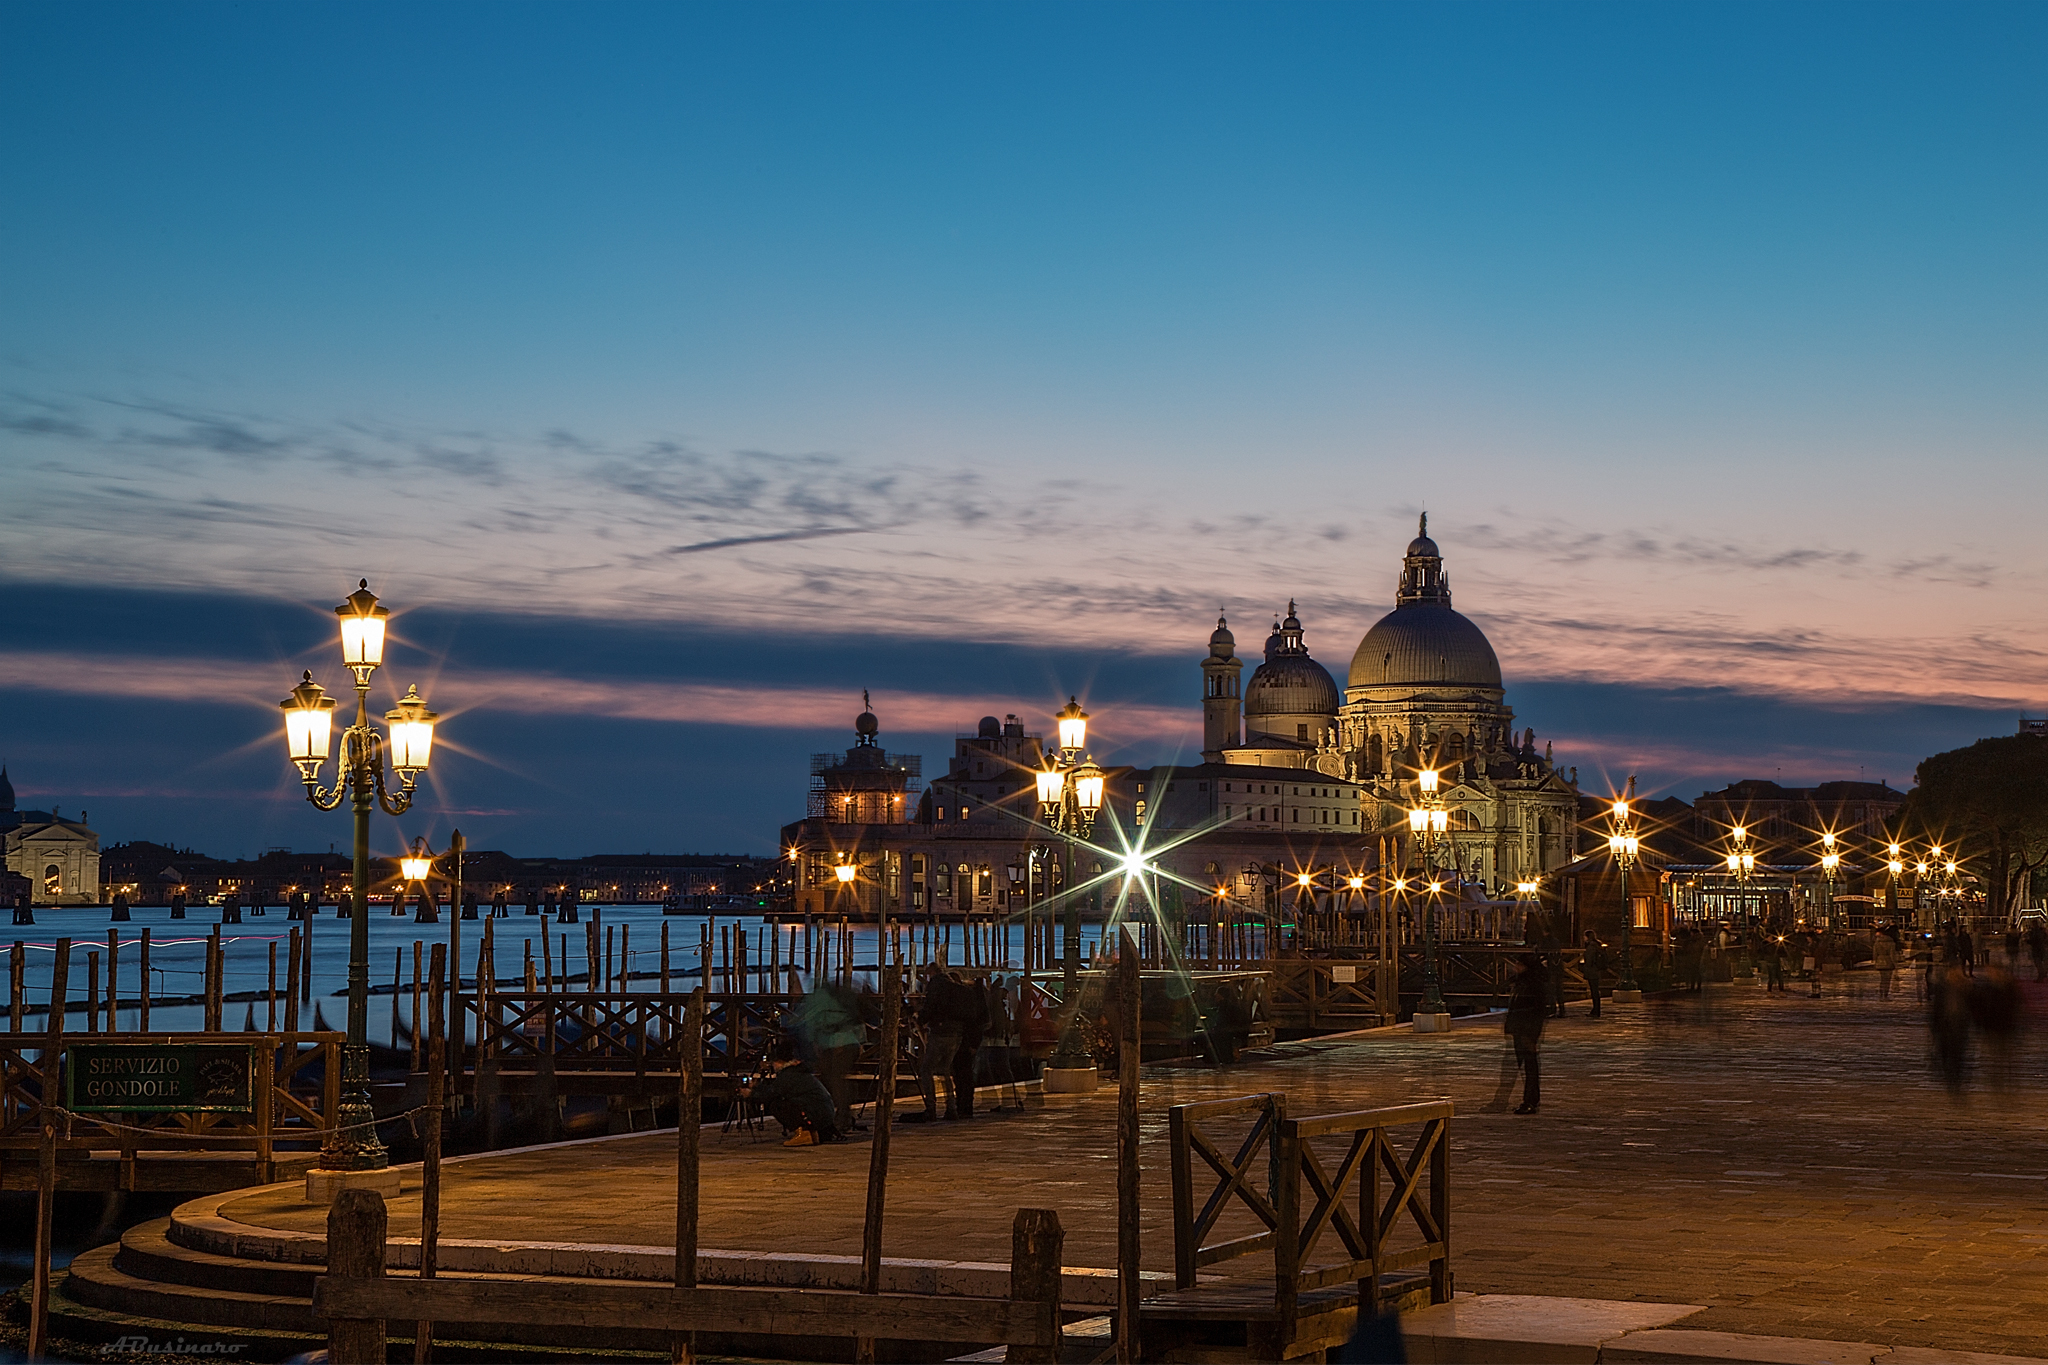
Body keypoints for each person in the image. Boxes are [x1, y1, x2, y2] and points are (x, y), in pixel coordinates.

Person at [791, 978, 865, 1136]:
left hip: (837, 1044)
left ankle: (839, 1118)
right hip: (848, 1043)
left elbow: (809, 1024)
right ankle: (839, 1116)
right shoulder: (828, 997)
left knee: (835, 1081)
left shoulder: (815, 999)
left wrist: (813, 1042)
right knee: (834, 1080)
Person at [741, 1039, 841, 1147]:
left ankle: (804, 1133)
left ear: (779, 1062)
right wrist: (757, 1087)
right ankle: (811, 1133)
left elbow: (771, 1094)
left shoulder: (788, 1075)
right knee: (786, 1102)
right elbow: (774, 1089)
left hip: (816, 1114)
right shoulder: (797, 1071)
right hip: (823, 1114)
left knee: (777, 1105)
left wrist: (751, 1094)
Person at [1504, 952, 1546, 1114]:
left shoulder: (1533, 985)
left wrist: (1532, 1036)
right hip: (1519, 1030)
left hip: (1526, 1032)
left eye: (1519, 964)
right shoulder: (1521, 982)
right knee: (1525, 1067)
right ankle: (1529, 1099)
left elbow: (1537, 1012)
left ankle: (1530, 1100)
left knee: (1530, 1067)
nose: (1516, 967)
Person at [1580, 931, 1609, 1019]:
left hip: (1592, 972)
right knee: (1595, 991)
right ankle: (1595, 1010)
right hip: (1596, 971)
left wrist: (1584, 966)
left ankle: (1596, 1011)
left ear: (1587, 937)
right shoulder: (1597, 945)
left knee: (1594, 992)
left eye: (1584, 936)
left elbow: (1589, 960)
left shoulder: (1591, 947)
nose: (1583, 938)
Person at [1873, 924, 1899, 1001]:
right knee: (1887, 980)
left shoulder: (1877, 942)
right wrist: (1895, 964)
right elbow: (1892, 955)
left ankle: (1881, 993)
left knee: (1882, 979)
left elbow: (1875, 953)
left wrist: (1875, 961)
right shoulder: (1891, 942)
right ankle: (1885, 994)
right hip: (1888, 962)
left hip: (1880, 961)